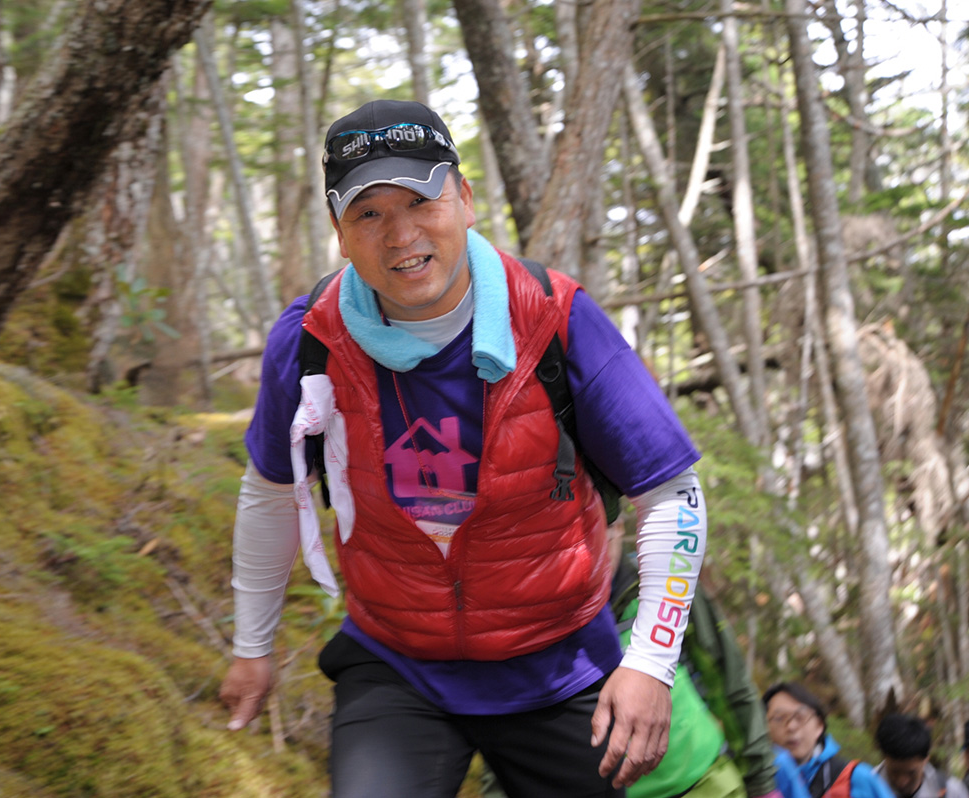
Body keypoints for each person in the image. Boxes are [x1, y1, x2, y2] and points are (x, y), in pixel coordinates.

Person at [218, 98, 708, 797]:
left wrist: (651, 662)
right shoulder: (309, 343)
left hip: (559, 660)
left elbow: (670, 492)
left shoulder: (557, 319)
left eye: (421, 201)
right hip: (397, 661)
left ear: (465, 199)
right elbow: (268, 492)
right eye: (368, 213)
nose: (401, 234)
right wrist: (252, 646)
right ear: (339, 232)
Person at [482, 527, 779, 798]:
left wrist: (762, 782)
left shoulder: (663, 583)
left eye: (596, 534)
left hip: (706, 784)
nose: (585, 555)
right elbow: (509, 735)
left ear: (618, 528)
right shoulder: (527, 618)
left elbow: (729, 679)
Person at [763, 681, 893, 798]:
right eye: (779, 718)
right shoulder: (757, 782)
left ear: (819, 725)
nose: (791, 727)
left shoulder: (855, 778)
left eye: (800, 717)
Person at [874, 712, 969, 798]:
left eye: (911, 773)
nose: (902, 782)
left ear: (926, 759)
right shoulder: (868, 788)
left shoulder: (951, 792)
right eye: (895, 772)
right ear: (884, 756)